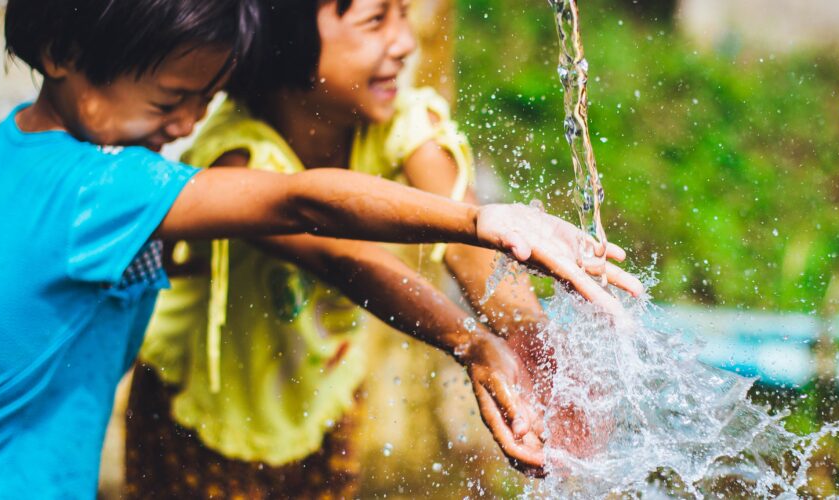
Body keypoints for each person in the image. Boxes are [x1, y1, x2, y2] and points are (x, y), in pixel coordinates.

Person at [0, 0, 636, 497]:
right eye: (172, 101)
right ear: (64, 50)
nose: (186, 125)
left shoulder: (15, 142)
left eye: (206, 97)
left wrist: (488, 337)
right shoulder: (102, 185)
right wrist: (476, 223)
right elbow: (303, 203)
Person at [123, 0, 622, 495]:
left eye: (403, 14)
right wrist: (469, 341)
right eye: (375, 20)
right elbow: (341, 257)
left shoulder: (396, 120)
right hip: (200, 411)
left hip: (325, 397)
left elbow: (468, 242)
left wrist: (528, 336)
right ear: (286, 35)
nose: (404, 43)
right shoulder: (233, 157)